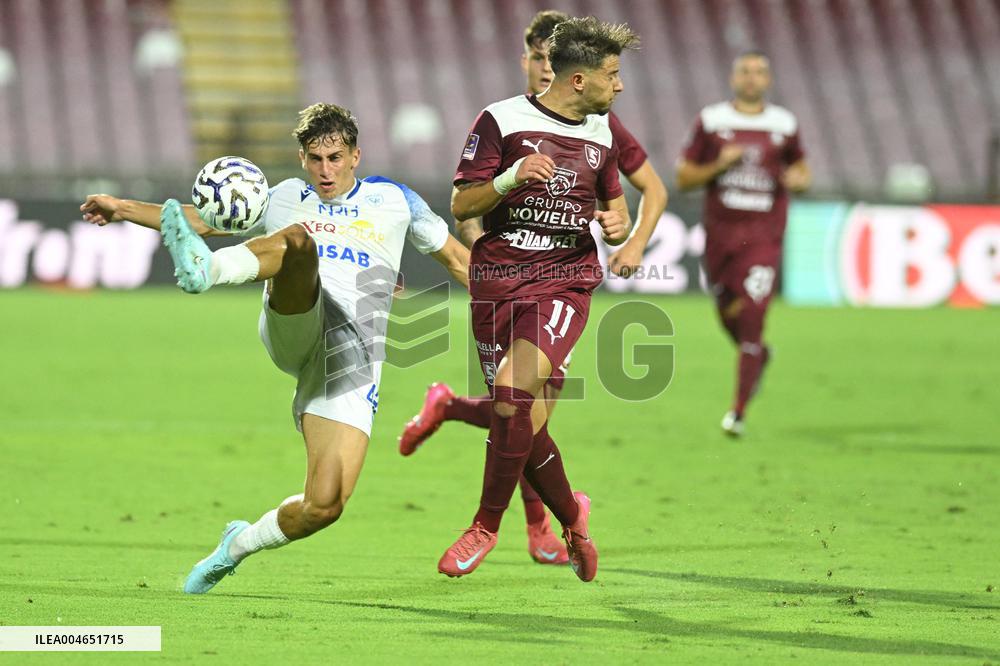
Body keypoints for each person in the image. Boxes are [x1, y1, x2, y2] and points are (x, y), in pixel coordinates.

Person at [80, 103, 471, 593]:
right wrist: (121, 207)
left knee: (324, 505)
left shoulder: (395, 201)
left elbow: (458, 260)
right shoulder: (284, 197)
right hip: (296, 322)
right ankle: (207, 271)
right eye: (315, 159)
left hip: (350, 361)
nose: (325, 170)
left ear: (355, 155)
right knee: (299, 244)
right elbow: (202, 220)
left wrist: (519, 303)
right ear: (302, 158)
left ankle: (235, 547)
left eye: (334, 158)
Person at [398, 9, 667, 568]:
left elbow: (616, 208)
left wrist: (621, 228)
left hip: (564, 282)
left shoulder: (602, 132)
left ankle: (483, 528)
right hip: (497, 283)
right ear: (579, 80)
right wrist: (510, 177)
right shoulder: (501, 120)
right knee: (519, 421)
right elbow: (462, 205)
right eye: (613, 75)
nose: (619, 86)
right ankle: (573, 523)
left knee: (511, 394)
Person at [675, 51, 810, 437]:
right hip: (721, 238)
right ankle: (759, 355)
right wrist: (719, 165)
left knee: (752, 315)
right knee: (727, 314)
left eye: (759, 71)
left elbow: (801, 168)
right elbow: (684, 178)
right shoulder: (712, 120)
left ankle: (737, 411)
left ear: (768, 79)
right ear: (734, 78)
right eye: (745, 71)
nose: (752, 78)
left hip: (763, 238)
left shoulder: (784, 124)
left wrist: (800, 179)